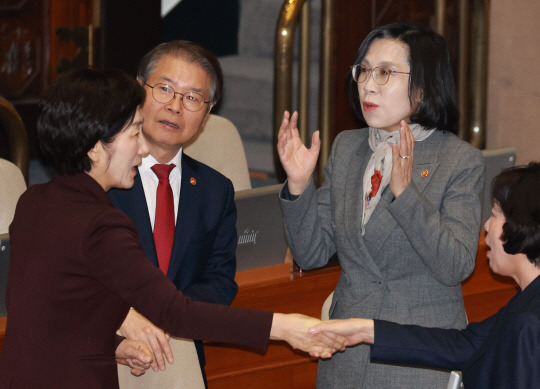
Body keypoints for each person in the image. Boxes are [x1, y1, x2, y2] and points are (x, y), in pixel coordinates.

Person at [0, 68, 344, 388]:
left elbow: (49, 316)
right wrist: (285, 327)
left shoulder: (35, 203)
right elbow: (176, 313)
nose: (144, 148)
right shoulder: (100, 225)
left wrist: (114, 345)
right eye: (135, 132)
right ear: (94, 146)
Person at [277, 22, 484, 388]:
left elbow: (456, 265)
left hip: (416, 358)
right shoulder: (347, 148)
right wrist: (298, 185)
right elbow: (311, 254)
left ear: (422, 87)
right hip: (345, 356)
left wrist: (406, 195)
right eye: (364, 70)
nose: (368, 85)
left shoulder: (459, 160)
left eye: (385, 73)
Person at [311, 162, 540, 389]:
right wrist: (365, 330)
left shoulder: (528, 322)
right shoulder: (528, 300)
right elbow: (467, 345)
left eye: (494, 215)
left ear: (520, 226)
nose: (487, 226)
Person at [107, 40, 237, 381]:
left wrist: (163, 317)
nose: (176, 106)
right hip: (103, 355)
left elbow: (219, 283)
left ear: (207, 114)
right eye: (164, 89)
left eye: (193, 97)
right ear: (138, 91)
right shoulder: (98, 177)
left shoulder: (215, 190)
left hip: (179, 358)